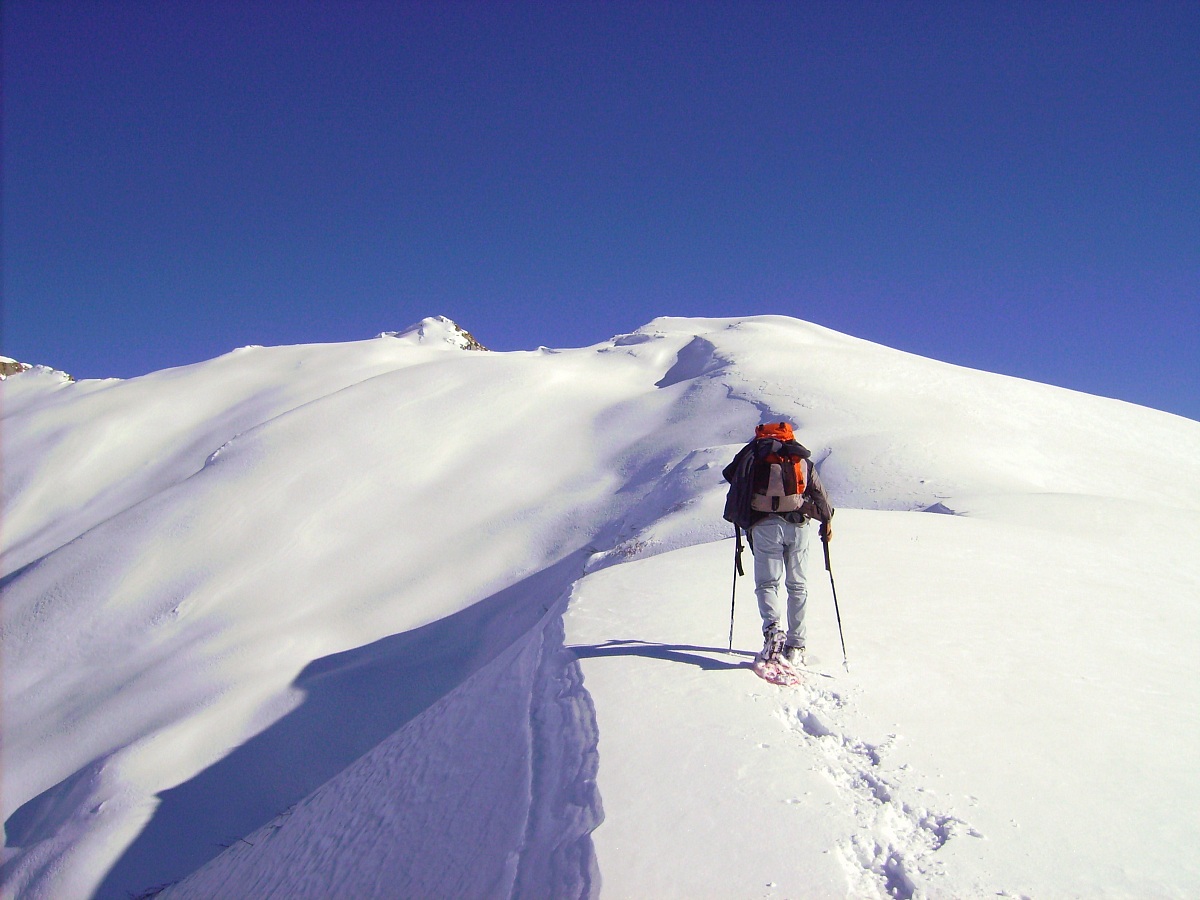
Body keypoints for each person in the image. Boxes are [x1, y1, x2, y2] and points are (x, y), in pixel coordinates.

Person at [722, 422, 834, 666]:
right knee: (798, 586)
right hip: (798, 525)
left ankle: (773, 631)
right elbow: (821, 495)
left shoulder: (754, 456)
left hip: (764, 527)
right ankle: (797, 645)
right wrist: (826, 521)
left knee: (767, 584)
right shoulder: (799, 458)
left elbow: (736, 486)